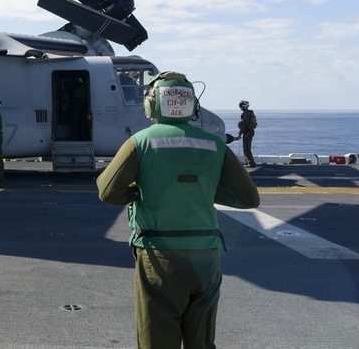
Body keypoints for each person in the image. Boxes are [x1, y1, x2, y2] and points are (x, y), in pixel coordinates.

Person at [97, 71, 260, 349]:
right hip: (206, 257)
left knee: (157, 338)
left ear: (151, 105)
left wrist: (138, 190)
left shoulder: (141, 142)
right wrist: (204, 189)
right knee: (202, 341)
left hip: (159, 256)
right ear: (193, 106)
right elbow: (249, 198)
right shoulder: (215, 145)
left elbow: (108, 191)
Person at [237, 100, 257, 167]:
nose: (241, 108)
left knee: (246, 148)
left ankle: (251, 163)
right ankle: (247, 161)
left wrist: (240, 133)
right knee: (247, 147)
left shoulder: (246, 114)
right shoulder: (251, 113)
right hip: (250, 132)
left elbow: (244, 125)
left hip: (247, 132)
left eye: (241, 107)